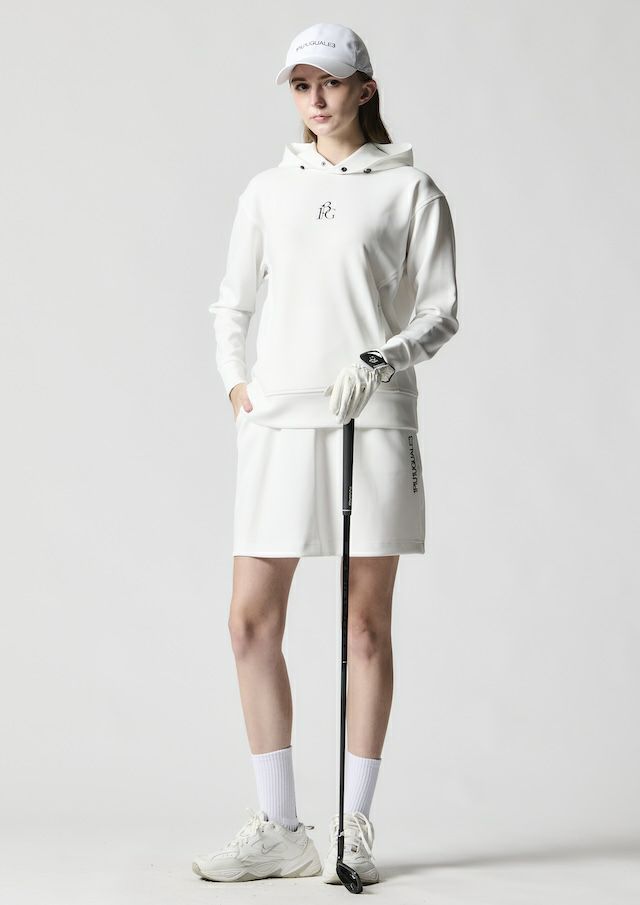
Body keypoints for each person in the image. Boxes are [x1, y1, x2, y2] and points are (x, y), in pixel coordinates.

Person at [192, 21, 459, 885]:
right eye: (302, 84)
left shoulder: (410, 189)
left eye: (331, 82)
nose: (316, 98)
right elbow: (232, 305)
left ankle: (354, 828)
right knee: (249, 621)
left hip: (371, 419)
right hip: (278, 422)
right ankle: (281, 827)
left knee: (365, 624)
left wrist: (384, 359)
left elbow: (441, 310)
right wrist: (239, 386)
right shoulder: (268, 190)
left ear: (365, 87)